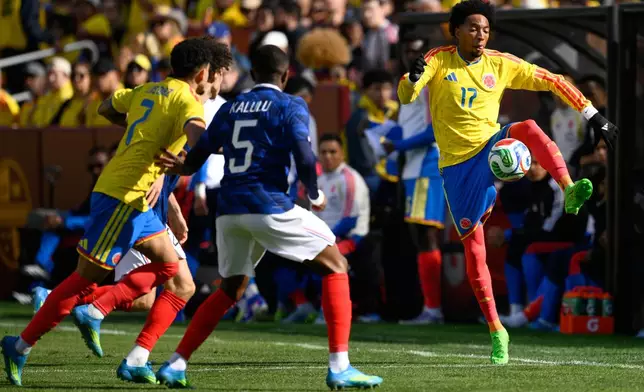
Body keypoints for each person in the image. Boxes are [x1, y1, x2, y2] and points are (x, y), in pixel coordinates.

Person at [397, 0, 618, 364]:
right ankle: (497, 329)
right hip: (457, 167)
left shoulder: (499, 63)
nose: (480, 35)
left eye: (485, 29)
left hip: (491, 144)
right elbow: (407, 95)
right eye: (472, 28)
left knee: (528, 128)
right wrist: (411, 76)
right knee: (475, 248)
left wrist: (594, 116)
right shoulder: (438, 59)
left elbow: (553, 80)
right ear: (455, 31)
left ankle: (568, 188)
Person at [154, 45, 383, 390]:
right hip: (268, 204)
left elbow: (197, 156)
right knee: (336, 265)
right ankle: (340, 366)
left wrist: (180, 166)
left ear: (252, 74)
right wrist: (315, 191)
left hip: (229, 210)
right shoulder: (290, 104)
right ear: (287, 75)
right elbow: (304, 154)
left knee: (231, 288)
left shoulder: (230, 107)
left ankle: (176, 363)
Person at [1, 37, 219, 387]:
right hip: (122, 196)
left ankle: (122, 340)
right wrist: (193, 161)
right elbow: (199, 136)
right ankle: (21, 345)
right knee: (81, 280)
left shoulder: (147, 89)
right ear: (204, 73)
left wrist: (142, 132)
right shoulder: (186, 99)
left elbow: (106, 108)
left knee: (174, 272)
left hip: (138, 203)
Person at [384, 32, 446, 325]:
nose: (414, 57)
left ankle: (434, 308)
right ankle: (428, 306)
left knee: (426, 235)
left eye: (420, 51)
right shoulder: (407, 86)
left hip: (427, 165)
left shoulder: (432, 83)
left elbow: (435, 131)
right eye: (408, 51)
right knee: (416, 237)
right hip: (412, 167)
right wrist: (390, 139)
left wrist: (399, 145)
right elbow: (408, 128)